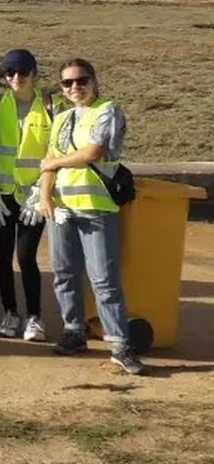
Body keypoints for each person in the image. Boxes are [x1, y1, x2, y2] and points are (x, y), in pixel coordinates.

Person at [39, 59, 142, 375]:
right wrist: (44, 195)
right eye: (67, 83)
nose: (74, 87)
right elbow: (49, 160)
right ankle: (74, 331)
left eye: (80, 80)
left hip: (96, 208)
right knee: (65, 273)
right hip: (62, 208)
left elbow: (92, 153)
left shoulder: (107, 110)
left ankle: (120, 344)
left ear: (94, 81)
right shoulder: (61, 117)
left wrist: (53, 165)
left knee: (104, 280)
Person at [0, 49, 52, 341]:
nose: (16, 78)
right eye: (10, 73)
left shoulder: (51, 106)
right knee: (2, 255)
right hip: (5, 194)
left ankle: (35, 316)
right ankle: (10, 313)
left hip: (34, 194)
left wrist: (42, 189)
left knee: (25, 256)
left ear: (35, 75)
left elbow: (56, 150)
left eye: (23, 72)